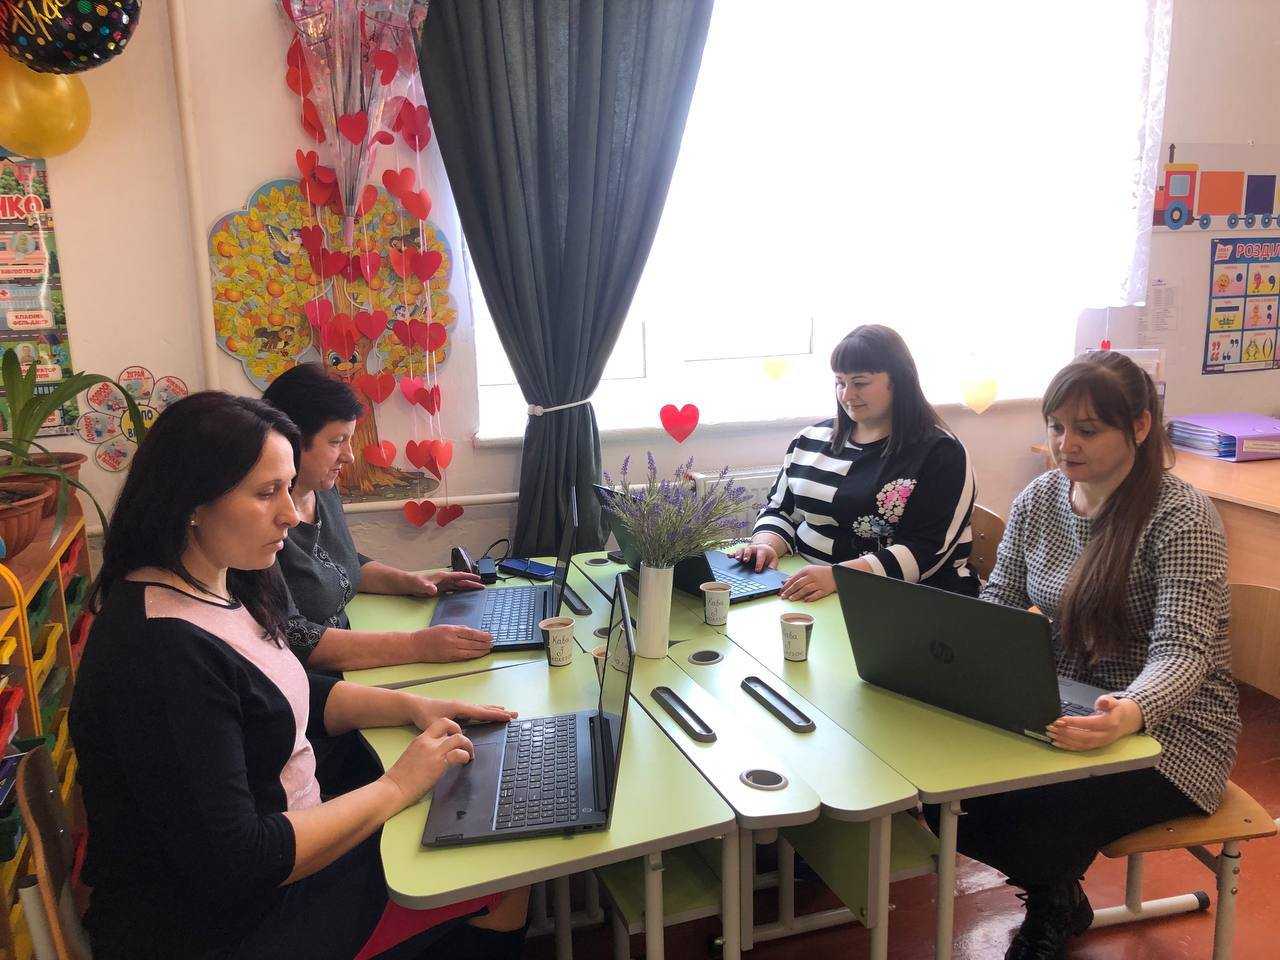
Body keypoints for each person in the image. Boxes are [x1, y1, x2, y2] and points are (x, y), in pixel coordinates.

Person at [69, 392, 529, 959]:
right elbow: (242, 859)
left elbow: (277, 695)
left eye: (289, 487)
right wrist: (396, 786)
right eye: (267, 493)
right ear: (191, 502)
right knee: (500, 868)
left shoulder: (225, 579)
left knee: (469, 805)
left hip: (280, 851)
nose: (290, 512)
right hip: (228, 924)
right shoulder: (160, 652)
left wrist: (413, 707)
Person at [927, 351, 1240, 960]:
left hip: (1173, 733)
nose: (1066, 445)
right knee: (942, 793)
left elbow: (1184, 649)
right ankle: (1059, 892)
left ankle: (1051, 904)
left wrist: (1129, 711)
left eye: (1088, 430)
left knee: (1031, 816)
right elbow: (1001, 600)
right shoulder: (1040, 499)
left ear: (1140, 427)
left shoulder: (1181, 517)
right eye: (1056, 427)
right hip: (1063, 702)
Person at [261, 363, 491, 673]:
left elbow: (341, 563)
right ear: (291, 441)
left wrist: (413, 581)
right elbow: (297, 639)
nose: (349, 456)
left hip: (351, 661)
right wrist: (417, 646)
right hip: (309, 680)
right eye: (336, 441)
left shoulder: (323, 490)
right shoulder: (263, 524)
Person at [733, 324, 978, 601]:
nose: (847, 395)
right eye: (840, 382)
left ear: (899, 381)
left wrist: (838, 576)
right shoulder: (809, 440)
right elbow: (781, 510)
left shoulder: (941, 453)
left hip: (908, 598)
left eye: (860, 383)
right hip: (813, 590)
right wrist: (766, 545)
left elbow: (926, 549)